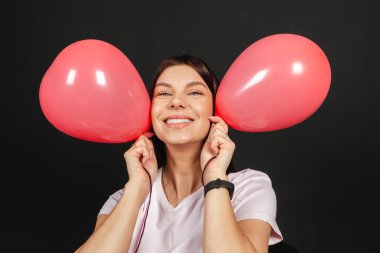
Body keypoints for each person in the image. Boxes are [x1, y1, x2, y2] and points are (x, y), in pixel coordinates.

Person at [75, 54, 283, 253]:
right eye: (164, 93)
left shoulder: (249, 188)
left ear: (216, 111)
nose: (176, 102)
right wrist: (137, 187)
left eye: (194, 92)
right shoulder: (123, 199)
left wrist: (215, 178)